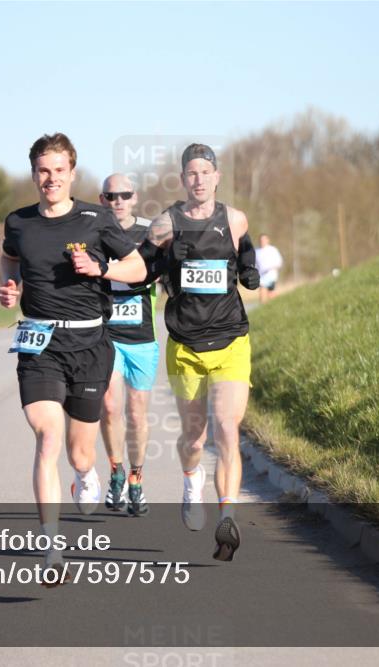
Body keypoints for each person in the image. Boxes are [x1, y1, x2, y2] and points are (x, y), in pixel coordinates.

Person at [0, 133, 147, 577]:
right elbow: (8, 259)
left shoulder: (96, 219)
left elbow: (137, 268)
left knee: (81, 453)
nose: (51, 178)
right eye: (43, 170)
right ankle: (51, 551)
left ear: (72, 173)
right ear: (34, 174)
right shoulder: (18, 222)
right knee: (47, 437)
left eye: (59, 170)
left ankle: (85, 474)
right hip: (39, 342)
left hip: (89, 344)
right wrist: (11, 287)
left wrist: (102, 268)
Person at [147, 143, 259, 561]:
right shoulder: (165, 224)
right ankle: (191, 478)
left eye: (205, 172)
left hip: (231, 339)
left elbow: (244, 251)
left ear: (216, 176)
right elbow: (143, 262)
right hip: (186, 345)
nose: (198, 179)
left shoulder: (234, 218)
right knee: (194, 437)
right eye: (190, 173)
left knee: (227, 428)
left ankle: (227, 515)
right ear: (183, 179)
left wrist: (249, 270)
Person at [98, 174, 160, 517]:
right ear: (102, 198)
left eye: (124, 194)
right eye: (110, 195)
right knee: (109, 407)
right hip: (107, 336)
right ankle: (116, 471)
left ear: (135, 197)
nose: (117, 200)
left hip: (142, 338)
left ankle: (137, 478)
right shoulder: (94, 230)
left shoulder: (151, 233)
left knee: (137, 414)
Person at [254, 234, 283, 304]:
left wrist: (274, 268)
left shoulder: (272, 249)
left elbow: (279, 261)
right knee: (264, 293)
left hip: (271, 274)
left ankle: (272, 306)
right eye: (261, 240)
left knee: (269, 293)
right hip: (261, 276)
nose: (262, 241)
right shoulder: (256, 251)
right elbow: (254, 264)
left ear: (268, 240)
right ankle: (264, 307)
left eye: (264, 239)